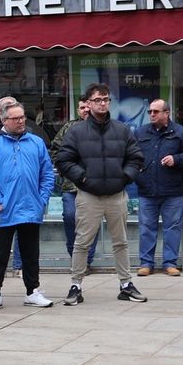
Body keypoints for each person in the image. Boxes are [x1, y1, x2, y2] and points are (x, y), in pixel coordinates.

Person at [54, 83, 147, 306]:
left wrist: (124, 177)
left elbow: (136, 158)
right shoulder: (76, 131)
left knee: (121, 242)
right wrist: (83, 178)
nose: (102, 103)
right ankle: (76, 286)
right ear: (88, 103)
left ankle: (126, 284)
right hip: (89, 195)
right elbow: (63, 159)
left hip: (116, 194)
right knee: (82, 242)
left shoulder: (122, 130)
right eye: (97, 100)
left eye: (106, 100)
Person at [0, 102, 55, 310]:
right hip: (5, 209)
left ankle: (32, 291)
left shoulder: (36, 142)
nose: (21, 121)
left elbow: (47, 173)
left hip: (31, 208)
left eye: (22, 117)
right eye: (16, 118)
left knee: (31, 253)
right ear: (4, 120)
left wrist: (42, 199)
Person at [132, 99, 183, 277]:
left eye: (156, 111)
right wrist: (137, 175)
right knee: (146, 228)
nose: (152, 114)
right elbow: (132, 156)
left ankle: (170, 263)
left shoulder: (180, 132)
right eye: (150, 112)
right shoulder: (140, 132)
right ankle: (146, 263)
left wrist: (176, 159)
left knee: (172, 228)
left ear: (166, 113)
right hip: (147, 189)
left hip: (173, 190)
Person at [50, 98, 98, 272]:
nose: (86, 110)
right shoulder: (68, 128)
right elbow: (55, 150)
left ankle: (87, 261)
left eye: (88, 107)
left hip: (94, 186)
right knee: (70, 217)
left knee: (92, 221)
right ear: (78, 110)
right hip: (71, 185)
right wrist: (64, 169)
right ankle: (74, 256)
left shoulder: (103, 127)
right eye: (82, 107)